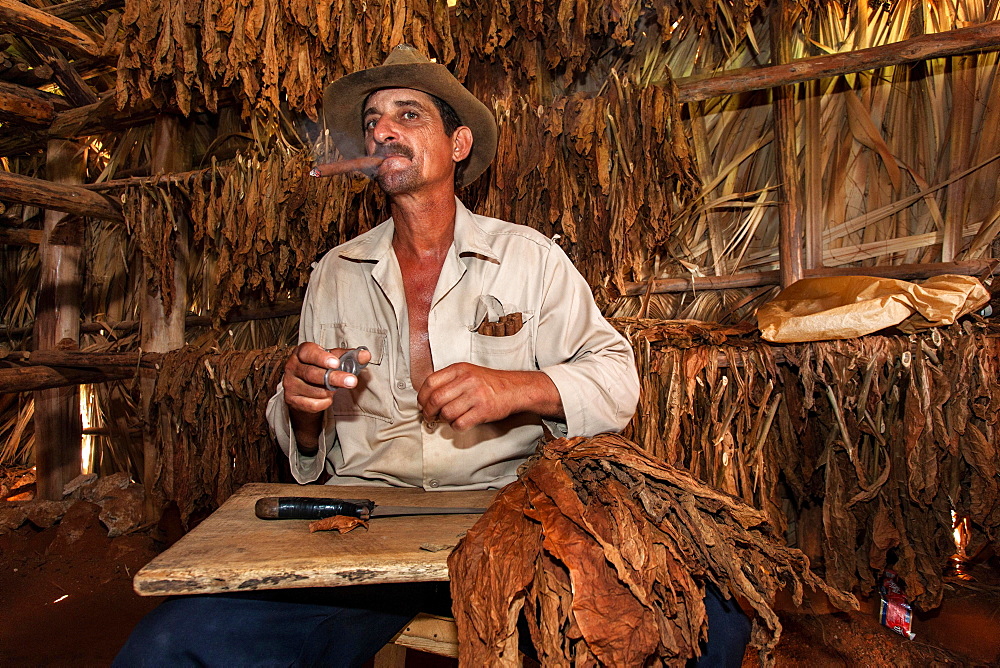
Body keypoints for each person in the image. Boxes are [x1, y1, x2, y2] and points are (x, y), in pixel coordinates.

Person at [115, 46, 747, 667]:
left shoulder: (529, 260)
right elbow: (307, 448)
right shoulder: (336, 273)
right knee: (170, 645)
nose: (383, 130)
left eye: (408, 114)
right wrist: (304, 410)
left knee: (710, 620)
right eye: (372, 123)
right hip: (360, 527)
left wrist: (517, 387)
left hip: (507, 518)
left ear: (459, 144)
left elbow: (616, 378)